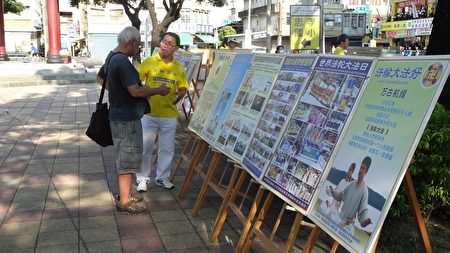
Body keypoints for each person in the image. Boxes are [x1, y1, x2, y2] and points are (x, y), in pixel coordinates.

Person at [97, 26, 170, 215]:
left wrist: (118, 91)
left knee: (126, 157)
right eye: (138, 44)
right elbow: (135, 91)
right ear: (131, 43)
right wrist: (158, 90)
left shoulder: (111, 56)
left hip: (119, 115)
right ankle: (124, 201)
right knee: (127, 159)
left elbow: (100, 78)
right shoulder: (122, 61)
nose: (138, 48)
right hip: (126, 119)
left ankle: (126, 193)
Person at [135, 32, 188, 192]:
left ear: (176, 48)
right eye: (164, 42)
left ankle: (162, 178)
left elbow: (183, 86)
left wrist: (180, 95)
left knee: (167, 149)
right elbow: (136, 82)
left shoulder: (178, 67)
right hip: (148, 114)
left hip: (169, 115)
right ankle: (142, 179)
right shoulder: (149, 62)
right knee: (145, 148)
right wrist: (147, 92)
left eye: (170, 44)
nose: (165, 45)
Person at [327, 156, 372, 230]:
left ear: (366, 172)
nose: (360, 170)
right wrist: (333, 191)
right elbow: (341, 195)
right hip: (339, 219)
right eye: (360, 167)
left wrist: (365, 222)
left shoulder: (364, 191)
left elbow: (362, 211)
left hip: (348, 226)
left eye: (363, 169)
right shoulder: (351, 184)